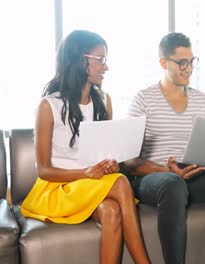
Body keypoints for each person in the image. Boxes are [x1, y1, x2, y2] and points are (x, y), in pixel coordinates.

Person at [121, 32, 205, 264]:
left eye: (192, 61)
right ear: (164, 63)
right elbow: (128, 161)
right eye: (181, 62)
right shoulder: (143, 99)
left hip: (192, 173)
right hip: (155, 178)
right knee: (173, 183)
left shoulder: (201, 100)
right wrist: (165, 170)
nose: (189, 68)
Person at [20, 30, 150, 263]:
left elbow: (111, 155)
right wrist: (87, 173)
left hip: (92, 184)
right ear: (80, 61)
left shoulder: (104, 100)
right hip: (58, 187)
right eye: (100, 60)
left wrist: (110, 164)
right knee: (120, 183)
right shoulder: (49, 106)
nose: (105, 67)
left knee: (111, 210)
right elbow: (44, 171)